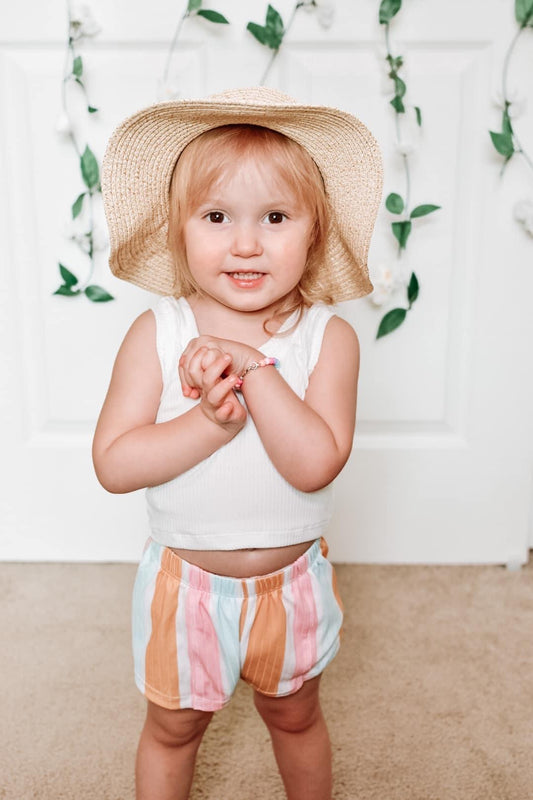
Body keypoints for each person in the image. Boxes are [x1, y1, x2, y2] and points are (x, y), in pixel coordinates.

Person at [93, 86, 383, 800]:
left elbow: (313, 463)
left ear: (314, 233)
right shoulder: (158, 334)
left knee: (294, 715)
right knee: (173, 727)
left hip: (290, 588)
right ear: (178, 230)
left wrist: (253, 370)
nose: (246, 243)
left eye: (275, 218)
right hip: (186, 587)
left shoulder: (326, 339)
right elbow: (114, 463)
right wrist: (207, 425)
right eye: (217, 216)